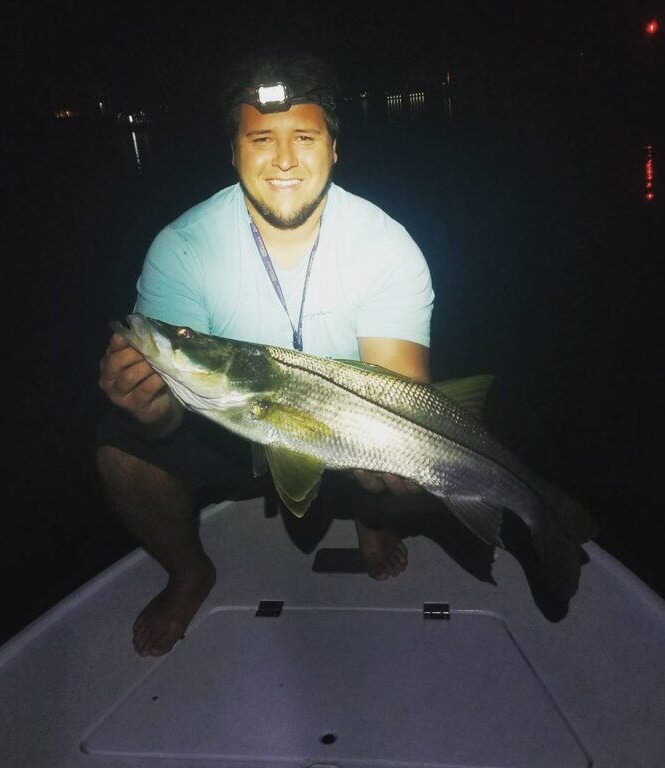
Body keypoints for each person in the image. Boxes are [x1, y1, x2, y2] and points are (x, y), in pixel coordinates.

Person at [96, 50, 434, 657]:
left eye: (304, 136)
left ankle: (370, 516)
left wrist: (396, 457)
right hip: (227, 424)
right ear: (233, 153)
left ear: (335, 148)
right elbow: (176, 405)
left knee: (396, 455)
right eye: (260, 139)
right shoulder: (183, 247)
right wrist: (149, 412)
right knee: (120, 450)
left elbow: (396, 383)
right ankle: (190, 572)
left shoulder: (386, 245)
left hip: (342, 431)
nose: (283, 159)